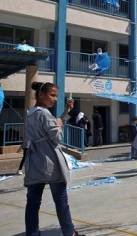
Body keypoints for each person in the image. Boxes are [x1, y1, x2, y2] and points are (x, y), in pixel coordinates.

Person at [23, 82, 84, 236]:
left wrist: (66, 112)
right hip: (49, 163)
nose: (55, 99)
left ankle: (32, 233)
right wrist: (58, 125)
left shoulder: (31, 112)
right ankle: (69, 232)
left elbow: (54, 124)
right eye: (52, 95)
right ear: (41, 95)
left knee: (33, 203)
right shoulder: (44, 113)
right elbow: (57, 136)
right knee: (61, 201)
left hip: (35, 163)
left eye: (56, 95)